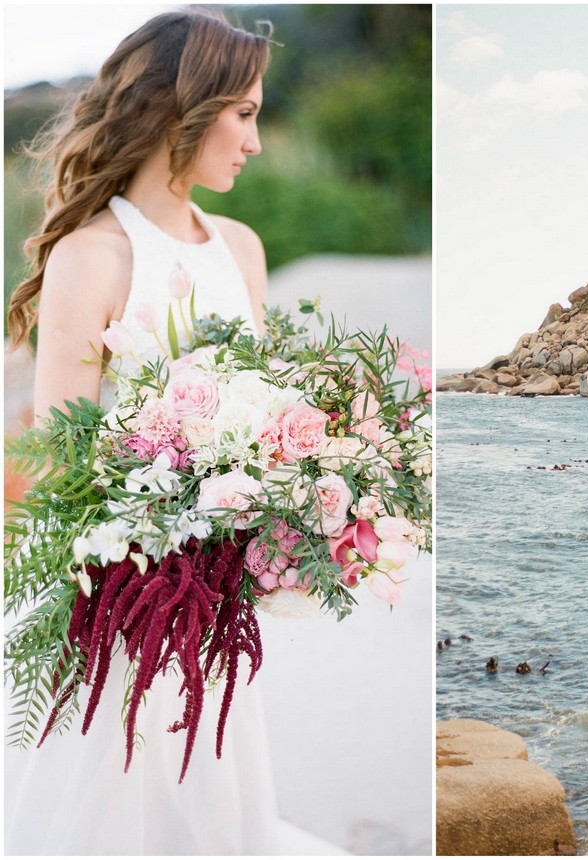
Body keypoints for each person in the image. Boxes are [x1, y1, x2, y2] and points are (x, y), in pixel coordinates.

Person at [4, 10, 281, 854]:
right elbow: (57, 461)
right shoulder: (93, 257)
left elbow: (269, 414)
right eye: (244, 113)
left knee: (211, 794)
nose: (256, 142)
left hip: (217, 592)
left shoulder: (242, 249)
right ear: (180, 112)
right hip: (120, 599)